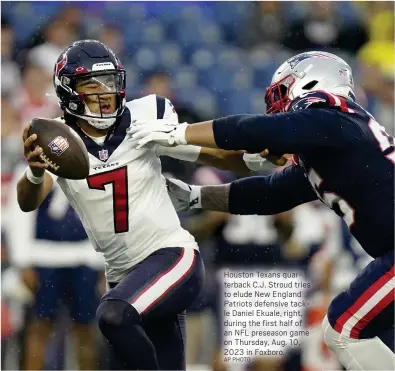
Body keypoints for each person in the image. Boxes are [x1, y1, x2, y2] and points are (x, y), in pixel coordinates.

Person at [129, 51, 395, 370]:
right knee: (375, 335)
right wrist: (196, 197)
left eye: (281, 96)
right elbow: (268, 194)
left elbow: (257, 130)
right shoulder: (333, 148)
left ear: (312, 82)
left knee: (344, 328)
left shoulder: (332, 113)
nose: (277, 108)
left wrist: (178, 134)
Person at [16, 39, 254, 370]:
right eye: (91, 85)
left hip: (172, 257)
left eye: (109, 83)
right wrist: (35, 172)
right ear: (69, 91)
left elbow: (220, 158)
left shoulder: (145, 116)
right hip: (123, 274)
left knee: (113, 315)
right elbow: (28, 202)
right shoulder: (60, 140)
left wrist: (257, 160)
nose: (104, 94)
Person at [7, 163, 103, 370]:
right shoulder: (32, 166)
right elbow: (21, 214)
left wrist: (104, 261)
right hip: (44, 258)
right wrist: (23, 262)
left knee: (85, 327)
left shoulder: (93, 165)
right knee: (40, 326)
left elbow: (102, 214)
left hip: (84, 257)